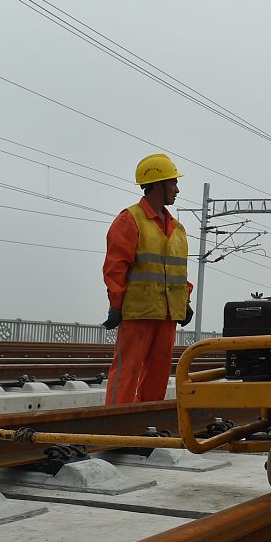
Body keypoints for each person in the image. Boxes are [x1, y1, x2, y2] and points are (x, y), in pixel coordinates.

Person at [102, 153, 192, 404]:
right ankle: (115, 423)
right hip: (138, 311)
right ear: (157, 185)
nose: (177, 189)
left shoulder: (177, 228)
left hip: (167, 313)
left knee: (158, 374)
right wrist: (116, 305)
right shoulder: (130, 220)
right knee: (127, 369)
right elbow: (115, 266)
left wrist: (185, 301)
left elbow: (179, 271)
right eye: (172, 183)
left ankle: (145, 423)